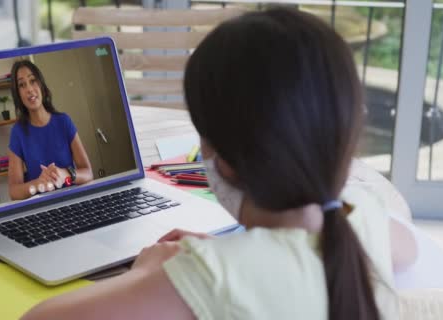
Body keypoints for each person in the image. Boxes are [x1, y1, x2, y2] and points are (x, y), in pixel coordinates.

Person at [21, 8, 417, 320]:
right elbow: (407, 250)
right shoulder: (361, 215)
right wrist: (239, 253)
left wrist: (148, 274)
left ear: (223, 162)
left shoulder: (210, 279)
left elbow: (38, 318)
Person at [8, 60, 93, 200]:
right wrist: (38, 183)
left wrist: (66, 174)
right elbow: (14, 191)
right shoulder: (18, 132)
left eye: (33, 81)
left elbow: (88, 173)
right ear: (18, 94)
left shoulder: (64, 121)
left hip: (73, 201)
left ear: (41, 85)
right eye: (22, 85)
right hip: (42, 207)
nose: (29, 89)